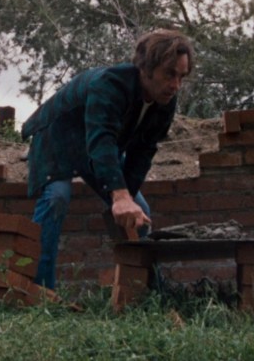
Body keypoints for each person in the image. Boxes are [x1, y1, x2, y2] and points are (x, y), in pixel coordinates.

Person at [21, 28, 194, 289]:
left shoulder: (164, 102)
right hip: (56, 136)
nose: (176, 85)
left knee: (140, 213)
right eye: (170, 74)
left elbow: (143, 152)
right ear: (147, 68)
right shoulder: (111, 84)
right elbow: (102, 140)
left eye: (182, 76)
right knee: (57, 196)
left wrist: (127, 199)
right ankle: (38, 290)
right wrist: (119, 196)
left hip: (94, 145)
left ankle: (142, 292)